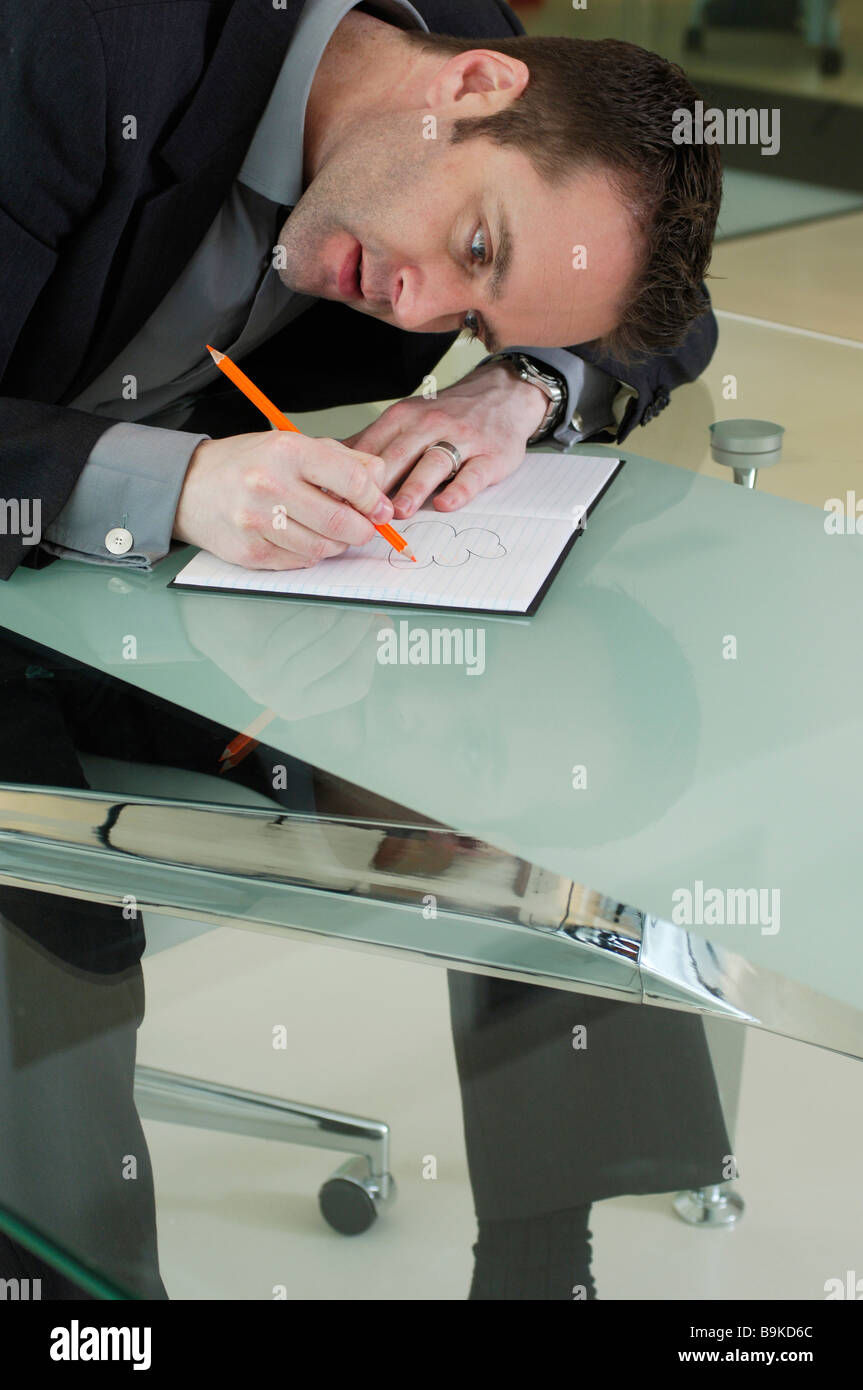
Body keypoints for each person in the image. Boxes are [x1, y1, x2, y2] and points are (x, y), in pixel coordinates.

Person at [0, 0, 729, 1299]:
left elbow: (665, 312)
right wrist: (167, 484)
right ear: (478, 85)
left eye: (480, 303)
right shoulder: (75, 50)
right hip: (56, 545)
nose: (418, 302)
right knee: (47, 916)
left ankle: (537, 1259)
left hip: (198, 592)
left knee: (547, 783)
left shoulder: (495, 84)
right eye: (471, 242)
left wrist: (519, 385)